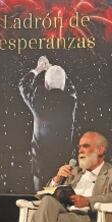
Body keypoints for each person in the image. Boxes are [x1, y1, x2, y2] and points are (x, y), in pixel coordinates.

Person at [20, 56, 79, 191]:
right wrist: (55, 70)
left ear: (46, 84)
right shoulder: (70, 102)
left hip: (40, 167)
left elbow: (23, 85)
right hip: (63, 167)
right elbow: (70, 88)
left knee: (41, 202)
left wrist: (38, 69)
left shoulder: (37, 100)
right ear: (63, 84)